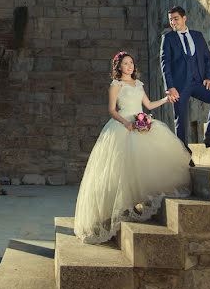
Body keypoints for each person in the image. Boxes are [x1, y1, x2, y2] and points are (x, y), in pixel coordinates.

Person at [74, 51, 192, 244]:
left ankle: (141, 202)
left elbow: (149, 105)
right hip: (124, 126)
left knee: (148, 163)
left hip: (142, 123)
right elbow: (112, 110)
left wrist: (165, 99)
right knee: (121, 169)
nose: (130, 66)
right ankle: (115, 210)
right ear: (119, 67)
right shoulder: (116, 85)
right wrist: (126, 123)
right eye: (126, 63)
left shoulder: (139, 85)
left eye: (131, 63)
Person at [161, 6, 210, 164]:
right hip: (179, 87)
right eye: (171, 20)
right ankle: (184, 155)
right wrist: (170, 87)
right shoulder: (168, 38)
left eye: (176, 19)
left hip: (198, 82)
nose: (173, 22)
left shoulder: (197, 36)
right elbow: (165, 64)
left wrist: (209, 78)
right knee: (181, 120)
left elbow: (208, 59)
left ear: (184, 18)